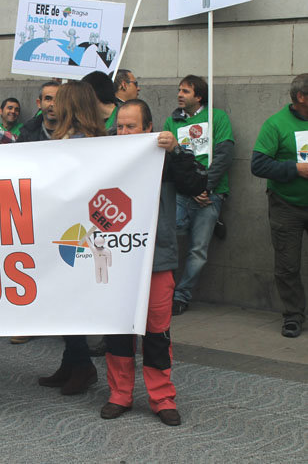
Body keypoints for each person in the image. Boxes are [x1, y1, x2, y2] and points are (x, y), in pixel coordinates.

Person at [102, 99, 208, 427]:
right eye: (120, 126)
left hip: (157, 262)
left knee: (157, 333)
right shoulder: (104, 156)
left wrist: (175, 151)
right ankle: (119, 394)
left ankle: (162, 397)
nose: (124, 131)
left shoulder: (166, 157)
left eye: (131, 126)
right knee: (118, 331)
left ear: (148, 128)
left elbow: (196, 185)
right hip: (117, 261)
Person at [32, 81, 107, 395]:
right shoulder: (81, 139)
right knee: (65, 300)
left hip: (75, 233)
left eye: (58, 101)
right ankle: (71, 361)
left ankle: (82, 366)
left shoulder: (80, 142)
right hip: (69, 229)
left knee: (69, 300)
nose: (52, 106)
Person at [164, 75, 234, 315]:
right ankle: (164, 291)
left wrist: (205, 188)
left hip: (210, 193)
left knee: (198, 251)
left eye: (185, 91)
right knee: (172, 239)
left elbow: (224, 155)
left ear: (199, 96)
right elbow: (169, 159)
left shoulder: (217, 117)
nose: (179, 95)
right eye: (179, 90)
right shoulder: (172, 121)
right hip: (183, 193)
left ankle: (181, 296)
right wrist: (191, 189)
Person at [251, 73, 308, 338]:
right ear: (301, 97)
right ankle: (293, 315)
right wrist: (295, 168)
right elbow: (258, 164)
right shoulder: (276, 125)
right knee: (288, 264)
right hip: (287, 205)